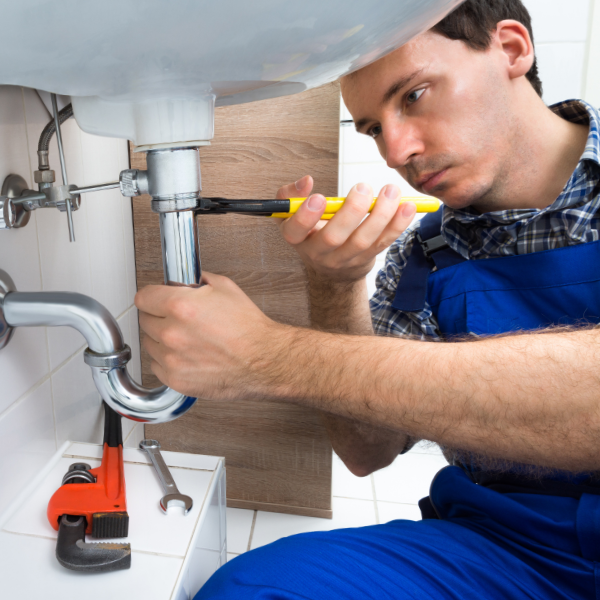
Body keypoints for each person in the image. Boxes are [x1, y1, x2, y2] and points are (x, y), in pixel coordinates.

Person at [136, 1, 600, 597]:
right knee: (255, 589)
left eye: (414, 95)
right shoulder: (423, 255)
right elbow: (367, 450)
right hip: (499, 550)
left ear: (510, 49)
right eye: (373, 127)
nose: (396, 151)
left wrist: (268, 355)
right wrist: (336, 281)